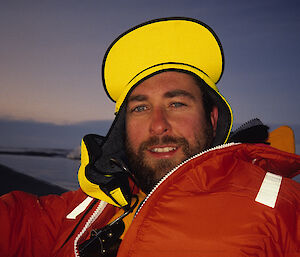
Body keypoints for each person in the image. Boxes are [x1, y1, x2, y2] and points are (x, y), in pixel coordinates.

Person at [0, 17, 300, 257]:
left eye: (177, 103)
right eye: (141, 107)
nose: (158, 125)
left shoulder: (284, 214)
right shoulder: (95, 203)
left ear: (212, 118)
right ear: (122, 127)